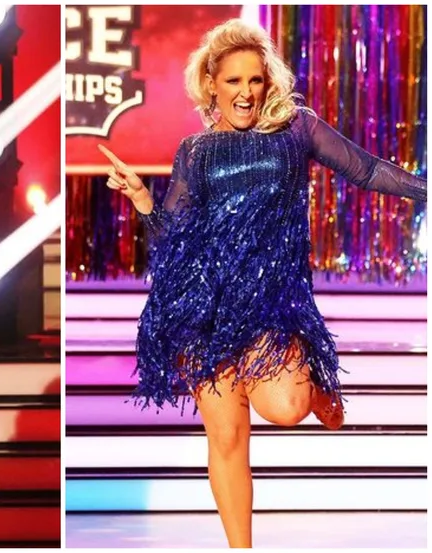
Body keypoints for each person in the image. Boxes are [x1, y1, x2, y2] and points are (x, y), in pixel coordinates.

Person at [99, 19, 426, 548]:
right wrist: (142, 203)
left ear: (267, 82)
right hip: (200, 306)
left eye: (255, 80)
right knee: (226, 438)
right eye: (233, 82)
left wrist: (426, 190)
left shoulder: (297, 128)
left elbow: (366, 171)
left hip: (270, 303)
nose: (246, 93)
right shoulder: (195, 152)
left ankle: (319, 391)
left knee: (286, 408)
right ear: (211, 84)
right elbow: (175, 238)